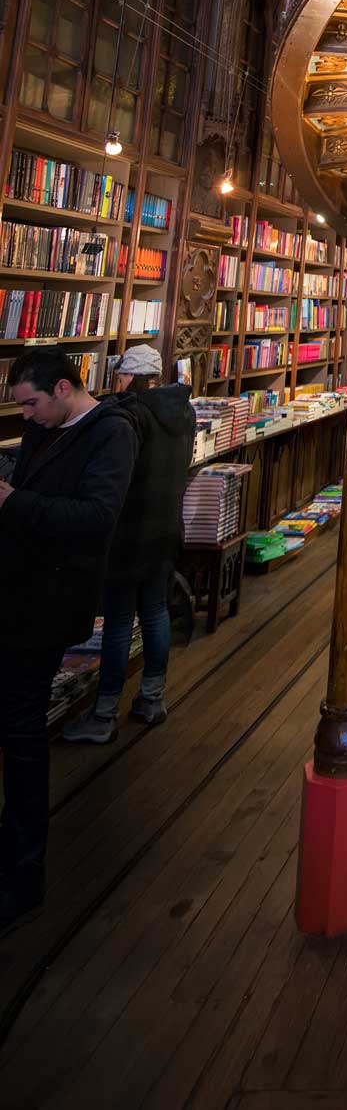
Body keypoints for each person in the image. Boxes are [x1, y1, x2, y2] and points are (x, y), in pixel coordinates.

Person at [0, 348, 136, 936]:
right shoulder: (44, 429)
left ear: (62, 388)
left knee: (23, 728)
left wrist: (10, 501)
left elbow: (95, 519)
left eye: (30, 404)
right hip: (16, 592)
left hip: (50, 605)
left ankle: (24, 871)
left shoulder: (110, 434)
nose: (24, 417)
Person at [63, 344, 196, 745]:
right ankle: (152, 698)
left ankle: (104, 713)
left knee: (119, 621)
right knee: (155, 610)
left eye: (120, 375)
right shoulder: (182, 412)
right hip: (165, 528)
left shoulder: (129, 418)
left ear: (129, 376)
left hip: (128, 532)